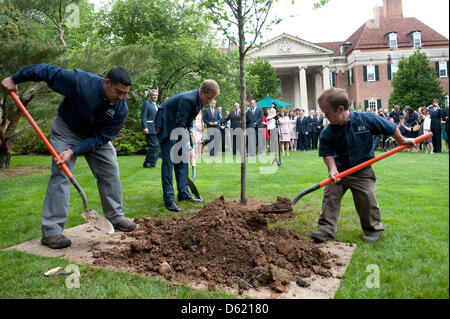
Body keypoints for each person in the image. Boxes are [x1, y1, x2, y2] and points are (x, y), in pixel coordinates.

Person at [1, 64, 137, 249]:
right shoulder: (80, 82)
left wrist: (75, 150)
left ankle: (116, 216)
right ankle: (51, 232)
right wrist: (15, 78)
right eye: (118, 92)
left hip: (95, 137)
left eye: (125, 94)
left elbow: (102, 137)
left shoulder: (121, 109)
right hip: (67, 129)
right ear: (106, 82)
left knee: (110, 170)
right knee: (61, 174)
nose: (121, 97)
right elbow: (46, 71)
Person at [311, 88, 415, 244]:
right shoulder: (328, 132)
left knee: (366, 199)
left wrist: (402, 141)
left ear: (340, 109)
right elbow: (327, 153)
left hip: (362, 171)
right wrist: (332, 170)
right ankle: (325, 229)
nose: (325, 117)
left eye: (327, 113)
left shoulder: (367, 120)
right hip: (339, 172)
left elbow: (390, 128)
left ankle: (373, 230)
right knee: (330, 197)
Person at [156, 79, 220, 212]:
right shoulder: (188, 99)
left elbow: (189, 118)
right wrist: (185, 143)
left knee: (183, 159)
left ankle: (183, 193)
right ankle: (169, 199)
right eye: (208, 98)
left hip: (176, 125)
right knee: (168, 162)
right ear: (202, 91)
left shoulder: (199, 101)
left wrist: (190, 129)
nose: (209, 101)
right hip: (166, 124)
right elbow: (179, 123)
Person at [141, 89, 160, 168]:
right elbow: (143, 116)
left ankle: (153, 163)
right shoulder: (146, 104)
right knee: (154, 146)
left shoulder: (157, 106)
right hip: (149, 128)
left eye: (156, 95)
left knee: (157, 146)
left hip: (157, 129)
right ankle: (147, 163)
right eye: (153, 95)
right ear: (150, 96)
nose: (155, 96)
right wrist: (145, 127)